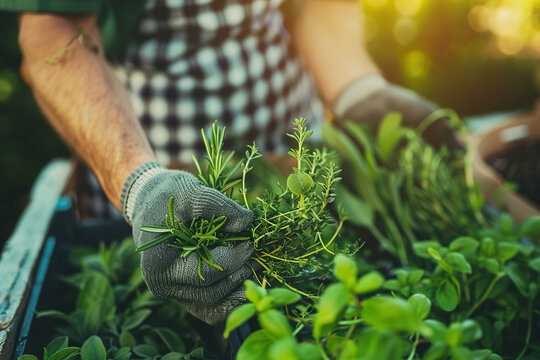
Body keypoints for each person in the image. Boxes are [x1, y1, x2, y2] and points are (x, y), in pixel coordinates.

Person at [7, 0, 459, 325]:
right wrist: (140, 183)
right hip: (155, 166)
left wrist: (356, 88)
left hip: (291, 156)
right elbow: (53, 29)